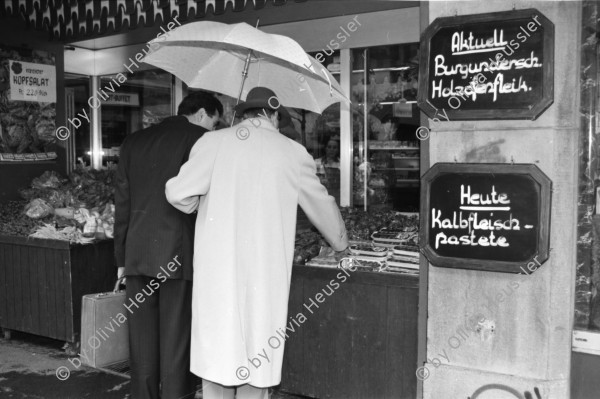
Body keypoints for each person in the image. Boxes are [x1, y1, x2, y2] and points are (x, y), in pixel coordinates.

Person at [165, 86, 348, 399]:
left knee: (218, 362)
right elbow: (321, 205)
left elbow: (177, 193)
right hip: (266, 276)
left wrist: (200, 202)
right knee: (258, 361)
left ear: (245, 113)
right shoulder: (293, 153)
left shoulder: (212, 142)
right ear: (274, 115)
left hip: (218, 274)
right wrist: (342, 244)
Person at [114, 91, 223, 399]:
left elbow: (122, 203)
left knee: (142, 343)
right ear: (202, 114)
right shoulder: (202, 140)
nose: (214, 130)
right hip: (180, 254)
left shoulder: (133, 141)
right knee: (176, 343)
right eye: (215, 122)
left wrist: (121, 258)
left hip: (137, 255)